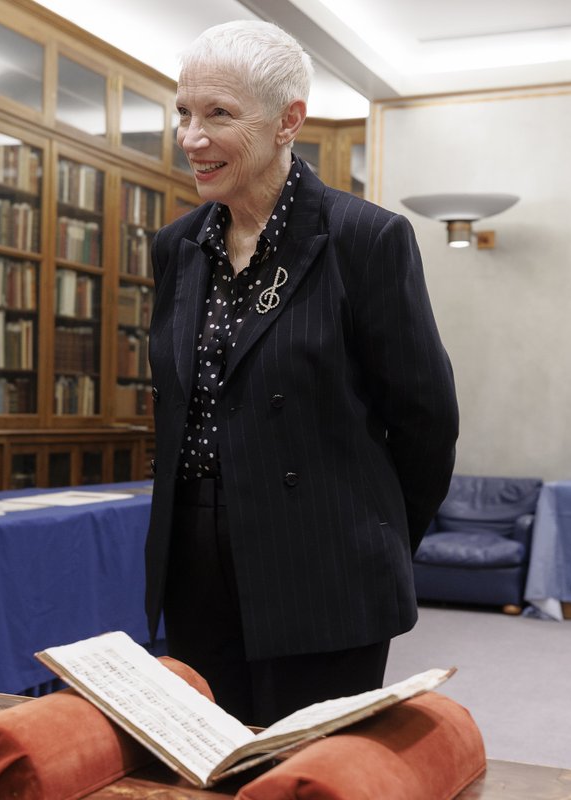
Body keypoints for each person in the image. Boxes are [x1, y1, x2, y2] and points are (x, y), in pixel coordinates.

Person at [144, 20, 459, 727]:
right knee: (207, 758)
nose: (191, 137)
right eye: (183, 113)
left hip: (324, 566)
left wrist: (368, 540)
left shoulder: (365, 239)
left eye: (218, 114)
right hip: (192, 564)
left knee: (309, 767)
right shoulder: (175, 248)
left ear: (289, 120)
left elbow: (426, 423)